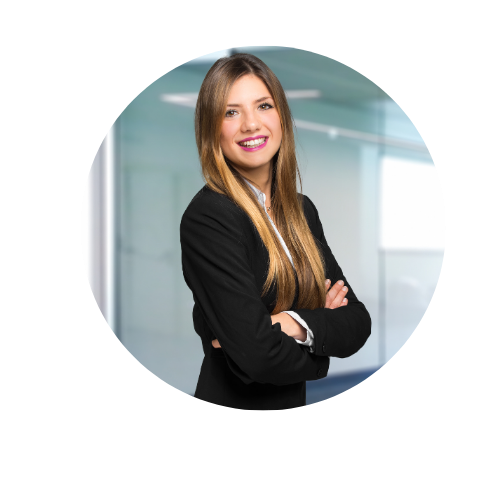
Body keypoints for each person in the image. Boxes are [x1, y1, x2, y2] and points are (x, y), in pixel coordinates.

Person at [180, 53, 371, 410]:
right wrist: (319, 347)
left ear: (281, 115)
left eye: (263, 106)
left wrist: (287, 322)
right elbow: (257, 354)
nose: (251, 124)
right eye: (231, 112)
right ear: (211, 128)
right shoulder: (209, 217)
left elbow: (357, 321)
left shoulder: (301, 210)